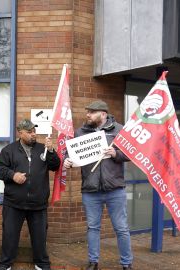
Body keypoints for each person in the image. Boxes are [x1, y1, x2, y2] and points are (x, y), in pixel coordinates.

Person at [63, 100, 133, 270]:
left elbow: (131, 153)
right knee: (92, 228)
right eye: (88, 111)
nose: (88, 115)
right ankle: (93, 262)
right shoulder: (80, 132)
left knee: (121, 228)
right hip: (90, 189)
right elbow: (69, 152)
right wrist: (67, 160)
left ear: (103, 114)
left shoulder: (119, 130)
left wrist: (116, 153)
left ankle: (126, 263)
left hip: (115, 189)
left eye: (92, 112)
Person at [0, 119, 60, 270]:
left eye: (34, 131)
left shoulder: (43, 149)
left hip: (38, 203)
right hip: (14, 203)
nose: (33, 134)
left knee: (39, 237)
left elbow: (55, 166)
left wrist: (51, 151)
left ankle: (41, 264)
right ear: (20, 132)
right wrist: (13, 175)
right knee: (10, 236)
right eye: (29, 132)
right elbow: (0, 169)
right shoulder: (9, 150)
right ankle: (5, 264)